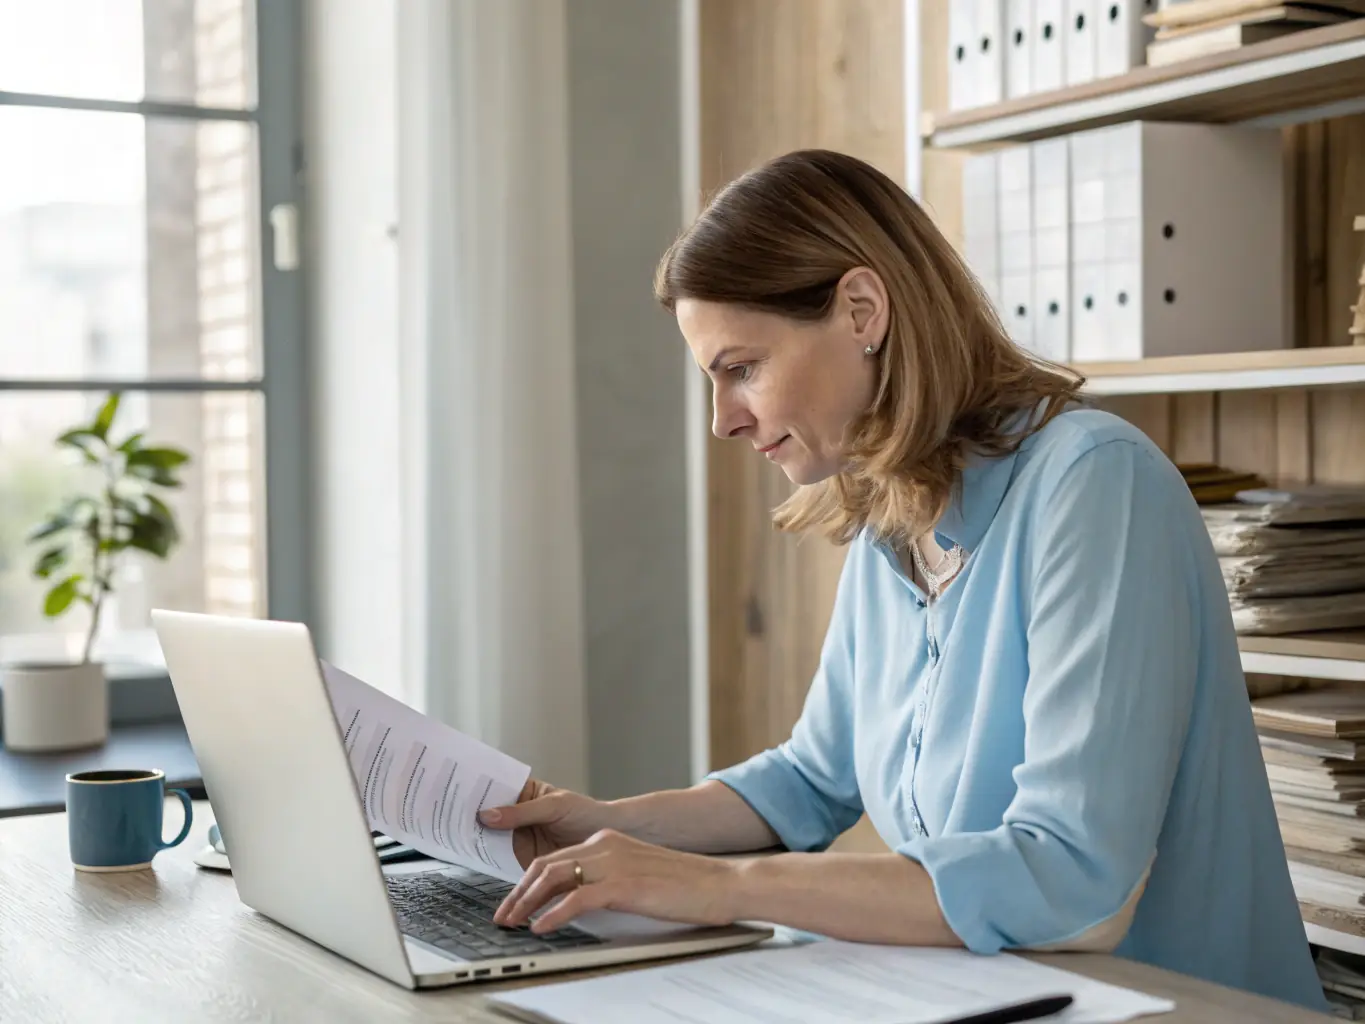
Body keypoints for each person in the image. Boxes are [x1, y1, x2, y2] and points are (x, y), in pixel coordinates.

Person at [477, 148, 1326, 1010]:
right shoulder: (892, 509)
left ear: (860, 310)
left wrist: (720, 887)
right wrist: (603, 825)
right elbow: (811, 781)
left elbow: (1071, 875)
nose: (722, 420)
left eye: (741, 368)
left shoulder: (1095, 481)